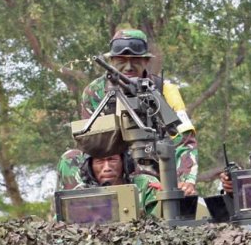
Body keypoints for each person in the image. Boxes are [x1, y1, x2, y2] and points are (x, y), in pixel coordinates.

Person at [81, 29, 199, 196]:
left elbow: (184, 140)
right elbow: (91, 143)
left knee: (148, 180)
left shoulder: (165, 90)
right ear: (112, 60)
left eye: (135, 60)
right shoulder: (94, 92)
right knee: (70, 158)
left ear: (146, 61)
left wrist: (185, 180)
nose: (128, 67)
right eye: (121, 60)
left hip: (151, 164)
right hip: (110, 163)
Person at [56, 149, 161, 218]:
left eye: (112, 160)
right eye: (99, 161)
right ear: (89, 167)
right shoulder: (81, 194)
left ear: (125, 163)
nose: (107, 168)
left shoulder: (145, 185)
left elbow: (159, 222)